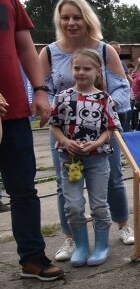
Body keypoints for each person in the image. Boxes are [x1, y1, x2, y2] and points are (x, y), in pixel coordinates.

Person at [41, 0, 134, 259]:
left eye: (77, 17)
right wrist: (62, 110)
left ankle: (123, 225)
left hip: (101, 129)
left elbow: (122, 89)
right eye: (66, 17)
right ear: (59, 20)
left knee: (112, 178)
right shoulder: (49, 52)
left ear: (87, 18)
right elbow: (41, 90)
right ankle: (71, 238)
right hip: (63, 132)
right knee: (64, 185)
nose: (71, 22)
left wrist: (95, 109)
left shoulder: (105, 50)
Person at [0, 0, 64, 281]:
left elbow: (25, 46)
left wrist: (39, 91)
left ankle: (32, 257)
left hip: (13, 113)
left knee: (23, 188)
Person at [49, 49, 121, 267]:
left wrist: (97, 142)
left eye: (86, 68)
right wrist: (66, 141)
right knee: (73, 205)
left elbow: (111, 128)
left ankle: (101, 245)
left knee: (99, 204)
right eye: (77, 68)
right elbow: (54, 126)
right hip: (69, 160)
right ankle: (80, 245)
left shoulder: (104, 99)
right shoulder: (62, 98)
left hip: (97, 159)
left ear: (97, 72)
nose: (81, 72)